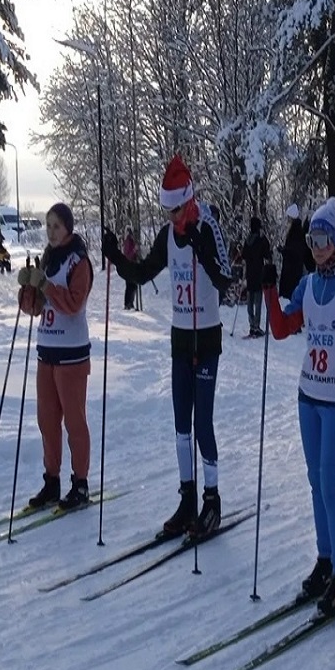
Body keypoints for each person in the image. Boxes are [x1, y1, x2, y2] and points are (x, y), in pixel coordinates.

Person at [102, 155, 232, 538]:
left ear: (189, 201)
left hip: (206, 338)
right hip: (180, 339)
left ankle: (212, 500)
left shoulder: (207, 226)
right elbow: (143, 273)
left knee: (202, 423)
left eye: (177, 210)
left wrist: (200, 247)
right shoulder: (168, 234)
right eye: (167, 211)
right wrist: (115, 256)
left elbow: (225, 279)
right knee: (180, 426)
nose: (172, 218)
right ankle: (187, 498)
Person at [262, 197, 335, 617]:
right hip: (308, 396)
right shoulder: (308, 285)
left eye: (323, 240)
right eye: (312, 240)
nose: (316, 248)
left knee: (331, 484)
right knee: (315, 482)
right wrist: (269, 289)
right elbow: (281, 329)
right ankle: (326, 559)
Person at [17, 202, 94, 510]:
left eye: (56, 226)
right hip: (46, 350)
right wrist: (27, 289)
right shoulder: (48, 259)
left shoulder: (79, 261)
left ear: (68, 228)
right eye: (48, 226)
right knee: (47, 420)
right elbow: (35, 309)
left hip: (72, 353)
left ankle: (80, 483)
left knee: (74, 421)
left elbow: (74, 304)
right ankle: (52, 480)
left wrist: (45, 286)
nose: (51, 232)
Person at [241, 215, 271, 337]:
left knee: (250, 300)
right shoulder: (260, 240)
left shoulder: (247, 240)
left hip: (249, 273)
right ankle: (256, 326)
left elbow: (243, 255)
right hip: (258, 273)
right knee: (258, 301)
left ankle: (251, 324)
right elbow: (267, 254)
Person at [279, 204, 306, 301]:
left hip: (292, 270)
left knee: (291, 296)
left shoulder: (295, 232)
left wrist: (284, 250)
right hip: (294, 269)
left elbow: (294, 251)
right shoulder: (298, 231)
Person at [120, 227, 140, 310]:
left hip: (132, 265)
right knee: (130, 285)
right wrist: (134, 250)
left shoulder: (130, 241)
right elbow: (128, 255)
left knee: (133, 285)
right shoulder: (128, 241)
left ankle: (130, 303)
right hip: (129, 265)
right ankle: (128, 303)